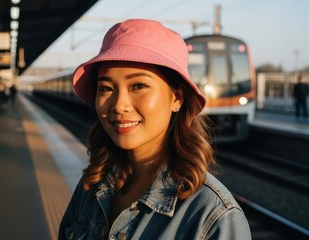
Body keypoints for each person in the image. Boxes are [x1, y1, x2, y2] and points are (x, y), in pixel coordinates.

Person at [58, 19, 251, 239]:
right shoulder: (92, 187)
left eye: (138, 86)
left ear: (177, 98)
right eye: (106, 88)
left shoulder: (214, 215)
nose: (119, 105)